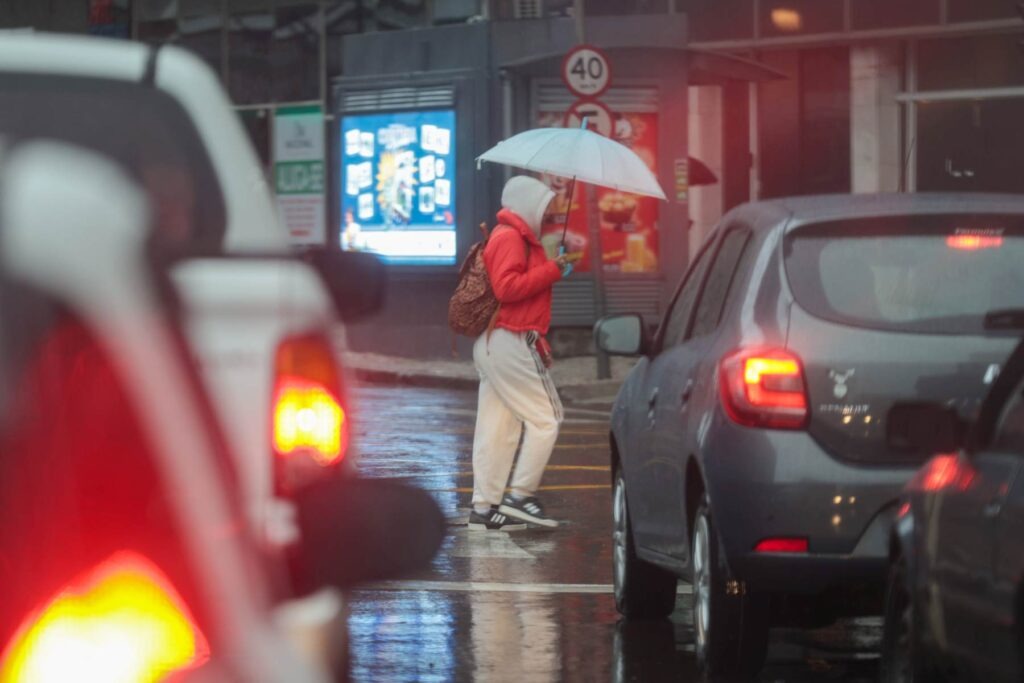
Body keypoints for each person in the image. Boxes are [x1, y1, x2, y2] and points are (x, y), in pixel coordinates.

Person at [468, 175, 576, 531]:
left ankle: (485, 507)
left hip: (496, 341)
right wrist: (553, 270)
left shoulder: (513, 237)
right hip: (510, 340)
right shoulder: (511, 237)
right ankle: (521, 496)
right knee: (547, 418)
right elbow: (507, 288)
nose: (546, 214)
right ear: (527, 204)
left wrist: (550, 266)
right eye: (543, 207)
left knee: (497, 428)